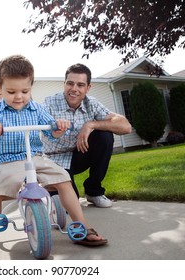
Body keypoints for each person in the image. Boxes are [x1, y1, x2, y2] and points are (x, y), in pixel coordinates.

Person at [0, 55, 107, 260]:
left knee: (64, 179)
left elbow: (53, 132)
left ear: (31, 88)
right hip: (8, 160)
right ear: (0, 89)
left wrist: (59, 126)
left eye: (25, 91)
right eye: (11, 92)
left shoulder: (37, 108)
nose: (19, 97)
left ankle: (81, 227)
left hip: (37, 157)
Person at [42, 63, 132, 208]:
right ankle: (47, 188)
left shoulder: (92, 103)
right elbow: (43, 130)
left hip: (80, 155)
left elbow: (125, 126)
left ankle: (94, 191)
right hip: (55, 160)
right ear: (64, 84)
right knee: (69, 205)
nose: (74, 89)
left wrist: (91, 124)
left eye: (80, 85)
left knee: (104, 135)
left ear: (88, 88)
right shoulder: (49, 103)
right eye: (70, 83)